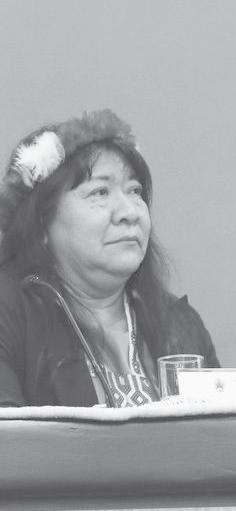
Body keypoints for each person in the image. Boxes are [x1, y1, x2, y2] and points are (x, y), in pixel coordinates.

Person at [0, 110, 218, 407]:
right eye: (100, 192)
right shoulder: (9, 314)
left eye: (135, 191)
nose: (129, 212)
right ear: (41, 224)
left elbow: (221, 433)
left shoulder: (179, 324)